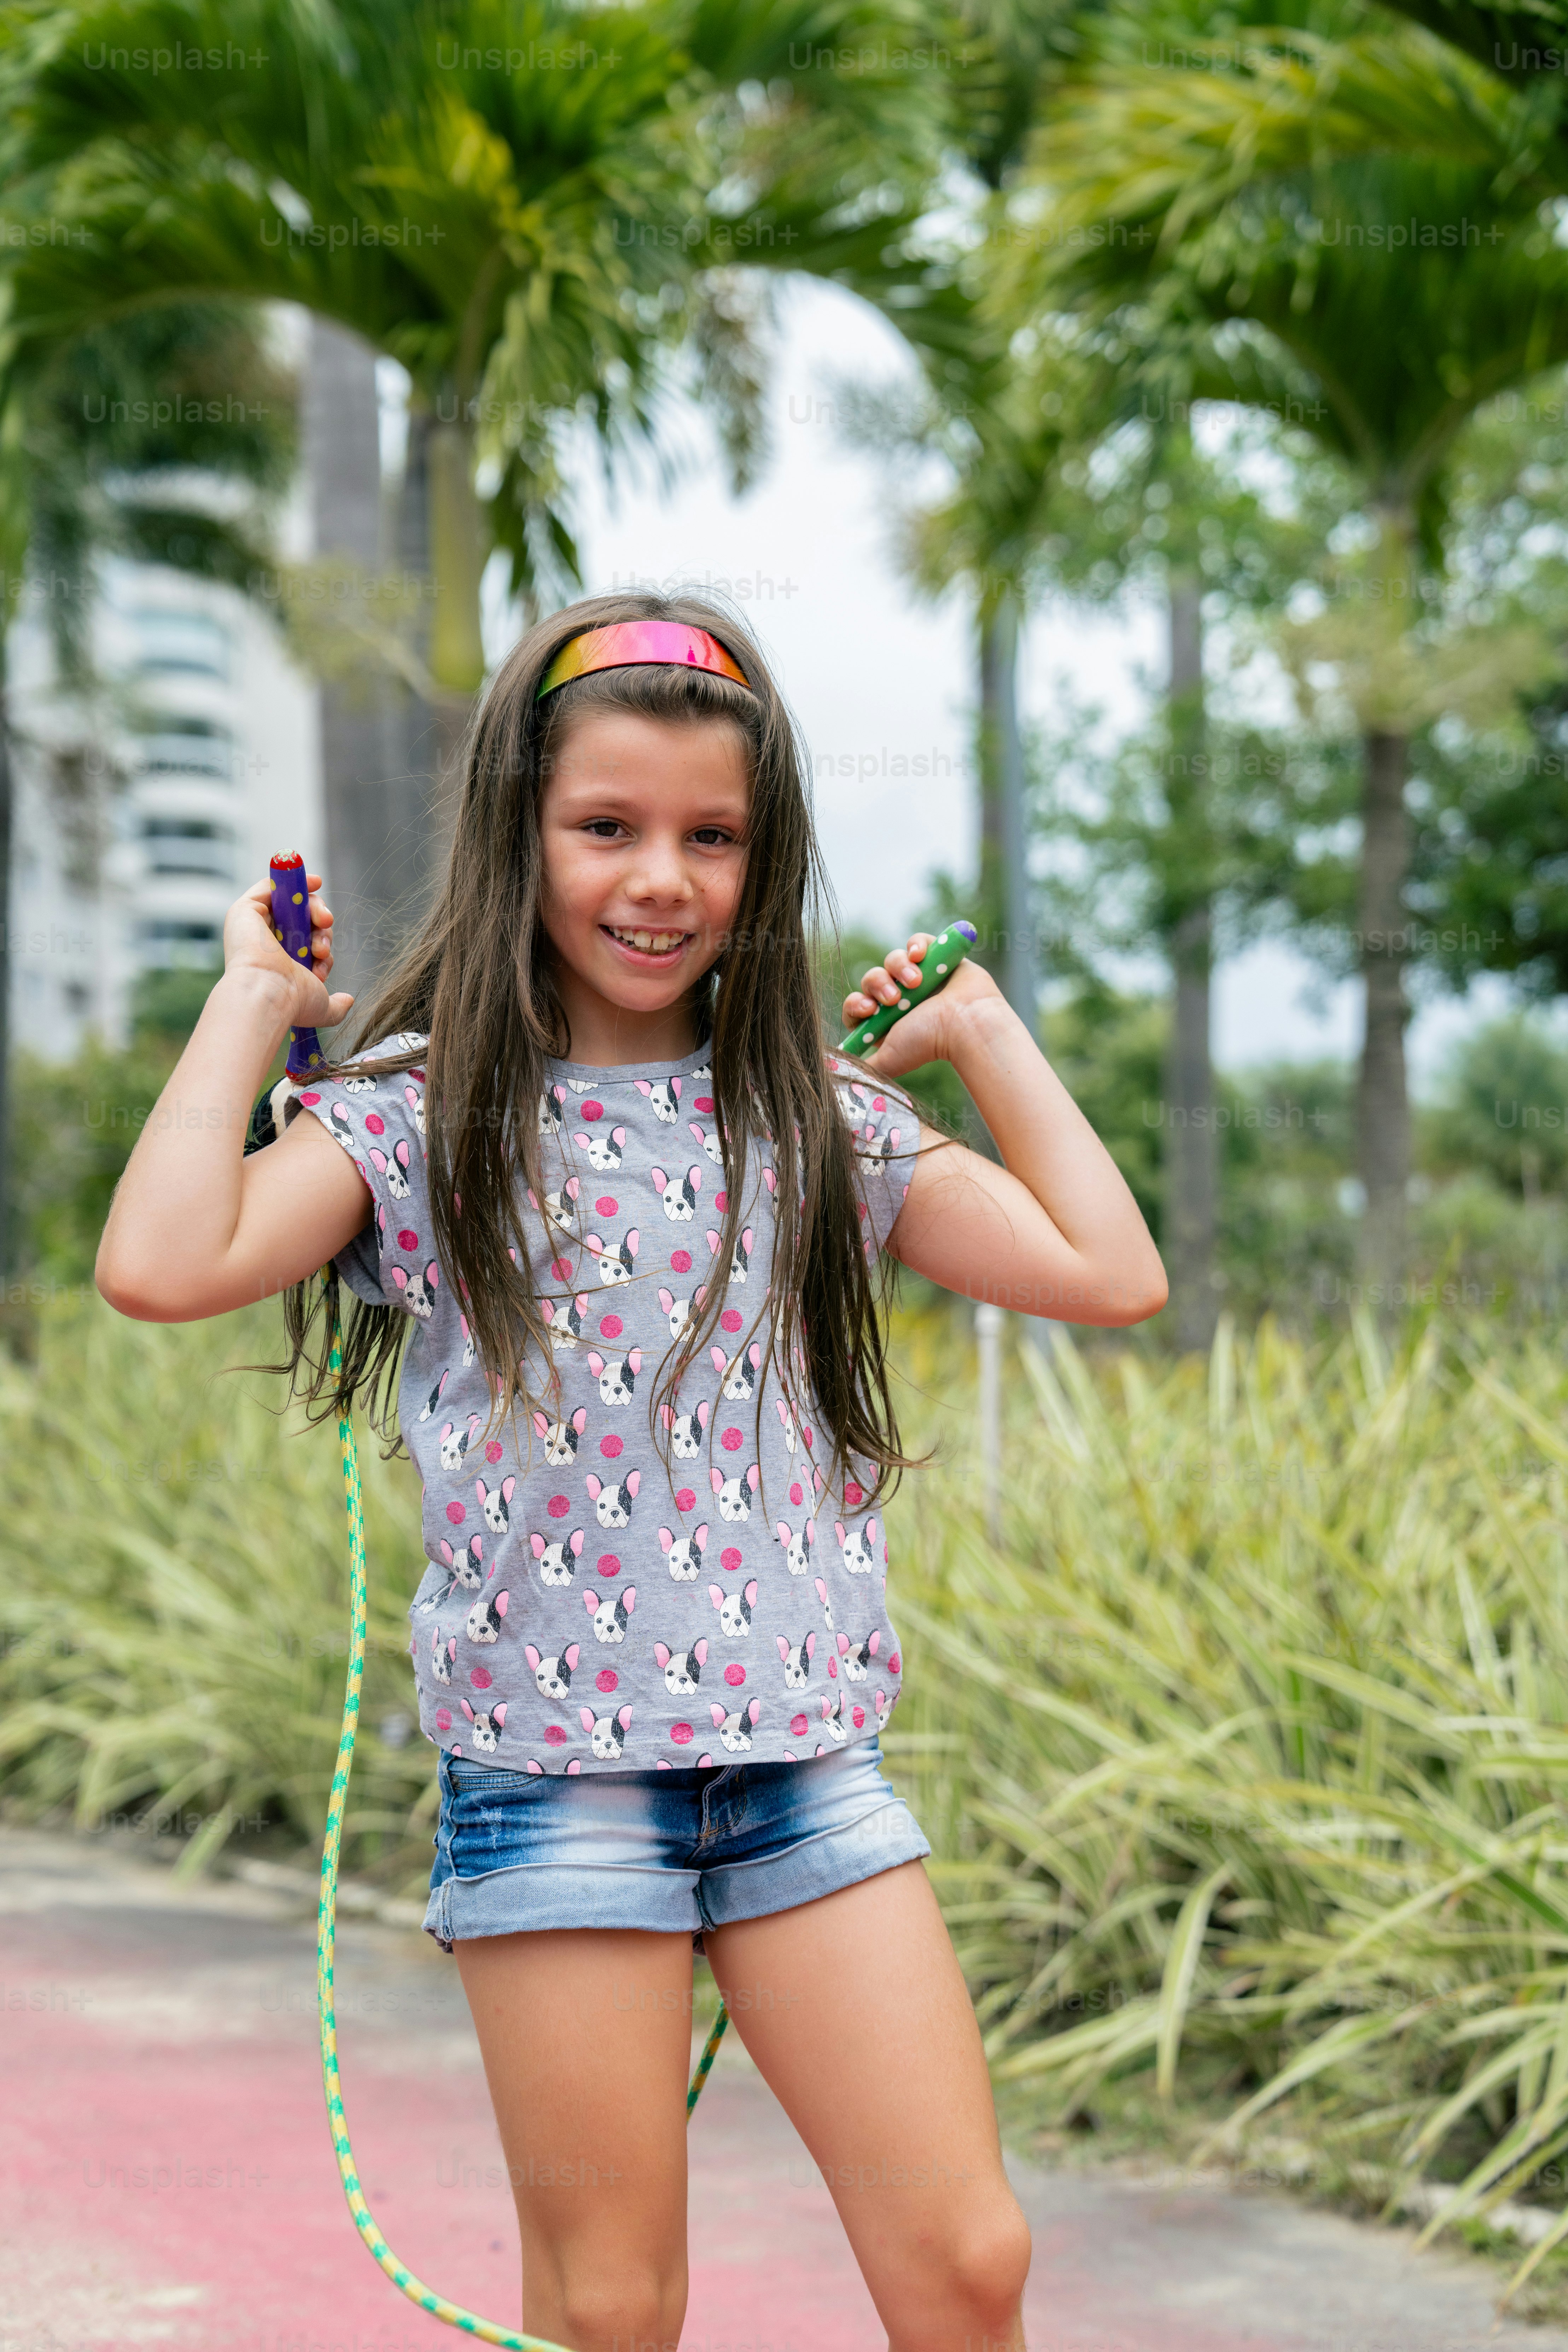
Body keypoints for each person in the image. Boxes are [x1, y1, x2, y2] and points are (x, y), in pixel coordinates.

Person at [96, 590, 1166, 2352]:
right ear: (520, 834)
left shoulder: (811, 1113)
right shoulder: (412, 1115)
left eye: (710, 837)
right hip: (557, 1778)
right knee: (613, 2306)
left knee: (967, 2258)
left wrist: (980, 1029)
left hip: (805, 1763)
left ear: (765, 859)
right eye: (606, 826)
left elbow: (1107, 1273)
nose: (657, 876)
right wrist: (251, 999)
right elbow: (161, 1261)